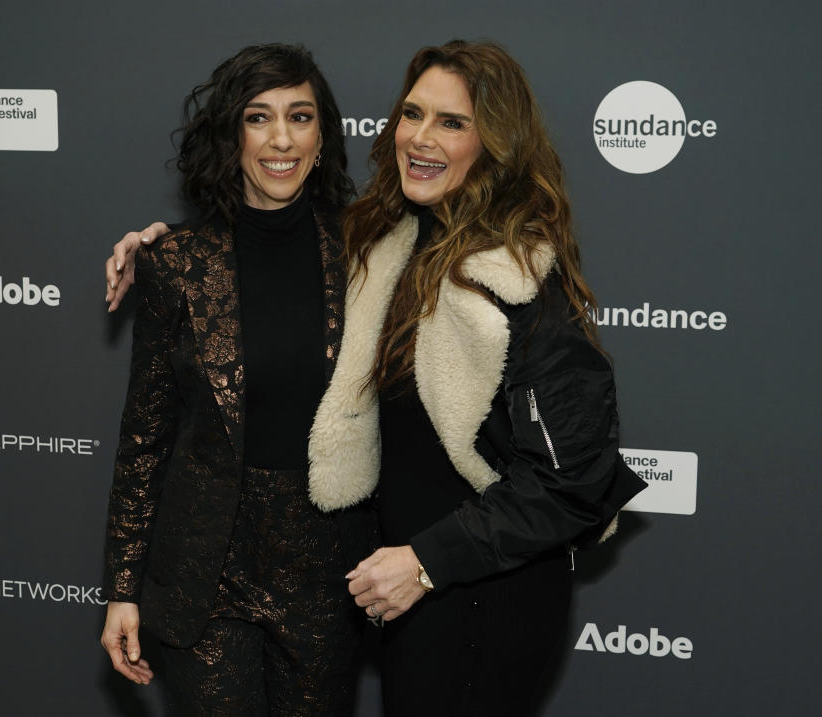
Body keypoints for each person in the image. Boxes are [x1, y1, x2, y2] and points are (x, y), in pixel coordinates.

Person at [108, 40, 645, 717]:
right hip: (381, 589)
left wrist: (426, 560)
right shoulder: (390, 243)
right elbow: (150, 432)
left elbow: (573, 479)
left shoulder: (514, 274)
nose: (422, 137)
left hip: (461, 589)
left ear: (497, 142)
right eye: (413, 114)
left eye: (452, 122)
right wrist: (159, 247)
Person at [99, 43, 374, 717]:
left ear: (321, 134)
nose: (281, 138)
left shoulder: (368, 249)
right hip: (205, 567)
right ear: (233, 133)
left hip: (325, 566)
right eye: (259, 117)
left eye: (300, 116)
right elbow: (145, 439)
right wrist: (122, 587)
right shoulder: (175, 264)